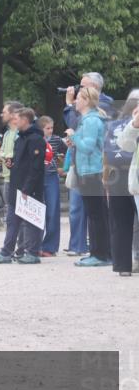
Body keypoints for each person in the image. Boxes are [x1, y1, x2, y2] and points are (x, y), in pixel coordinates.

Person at [0, 108, 46, 264]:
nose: (15, 121)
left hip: (29, 189)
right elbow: (21, 162)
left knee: (32, 222)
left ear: (25, 120)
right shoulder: (20, 139)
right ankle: (6, 252)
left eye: (17, 118)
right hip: (16, 186)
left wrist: (27, 188)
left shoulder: (36, 139)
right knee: (12, 221)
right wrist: (11, 163)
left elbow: (36, 168)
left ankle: (32, 253)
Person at [66, 87, 112, 267]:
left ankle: (100, 255)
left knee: (95, 215)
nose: (75, 101)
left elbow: (88, 147)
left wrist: (74, 136)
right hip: (87, 170)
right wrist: (74, 141)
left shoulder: (91, 120)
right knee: (95, 214)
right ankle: (99, 253)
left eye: (78, 98)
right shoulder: (88, 119)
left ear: (86, 100)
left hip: (91, 172)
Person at [107, 89, 139, 276]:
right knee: (123, 222)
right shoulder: (121, 125)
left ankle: (122, 264)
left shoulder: (114, 125)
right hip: (127, 174)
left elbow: (110, 153)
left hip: (119, 173)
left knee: (121, 223)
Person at [37, 116, 66, 257]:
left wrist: (63, 167)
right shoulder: (35, 139)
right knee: (37, 210)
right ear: (40, 128)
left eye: (51, 128)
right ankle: (35, 244)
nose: (50, 131)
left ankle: (50, 246)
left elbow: (68, 151)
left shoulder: (56, 140)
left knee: (52, 211)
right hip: (37, 177)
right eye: (47, 128)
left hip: (52, 176)